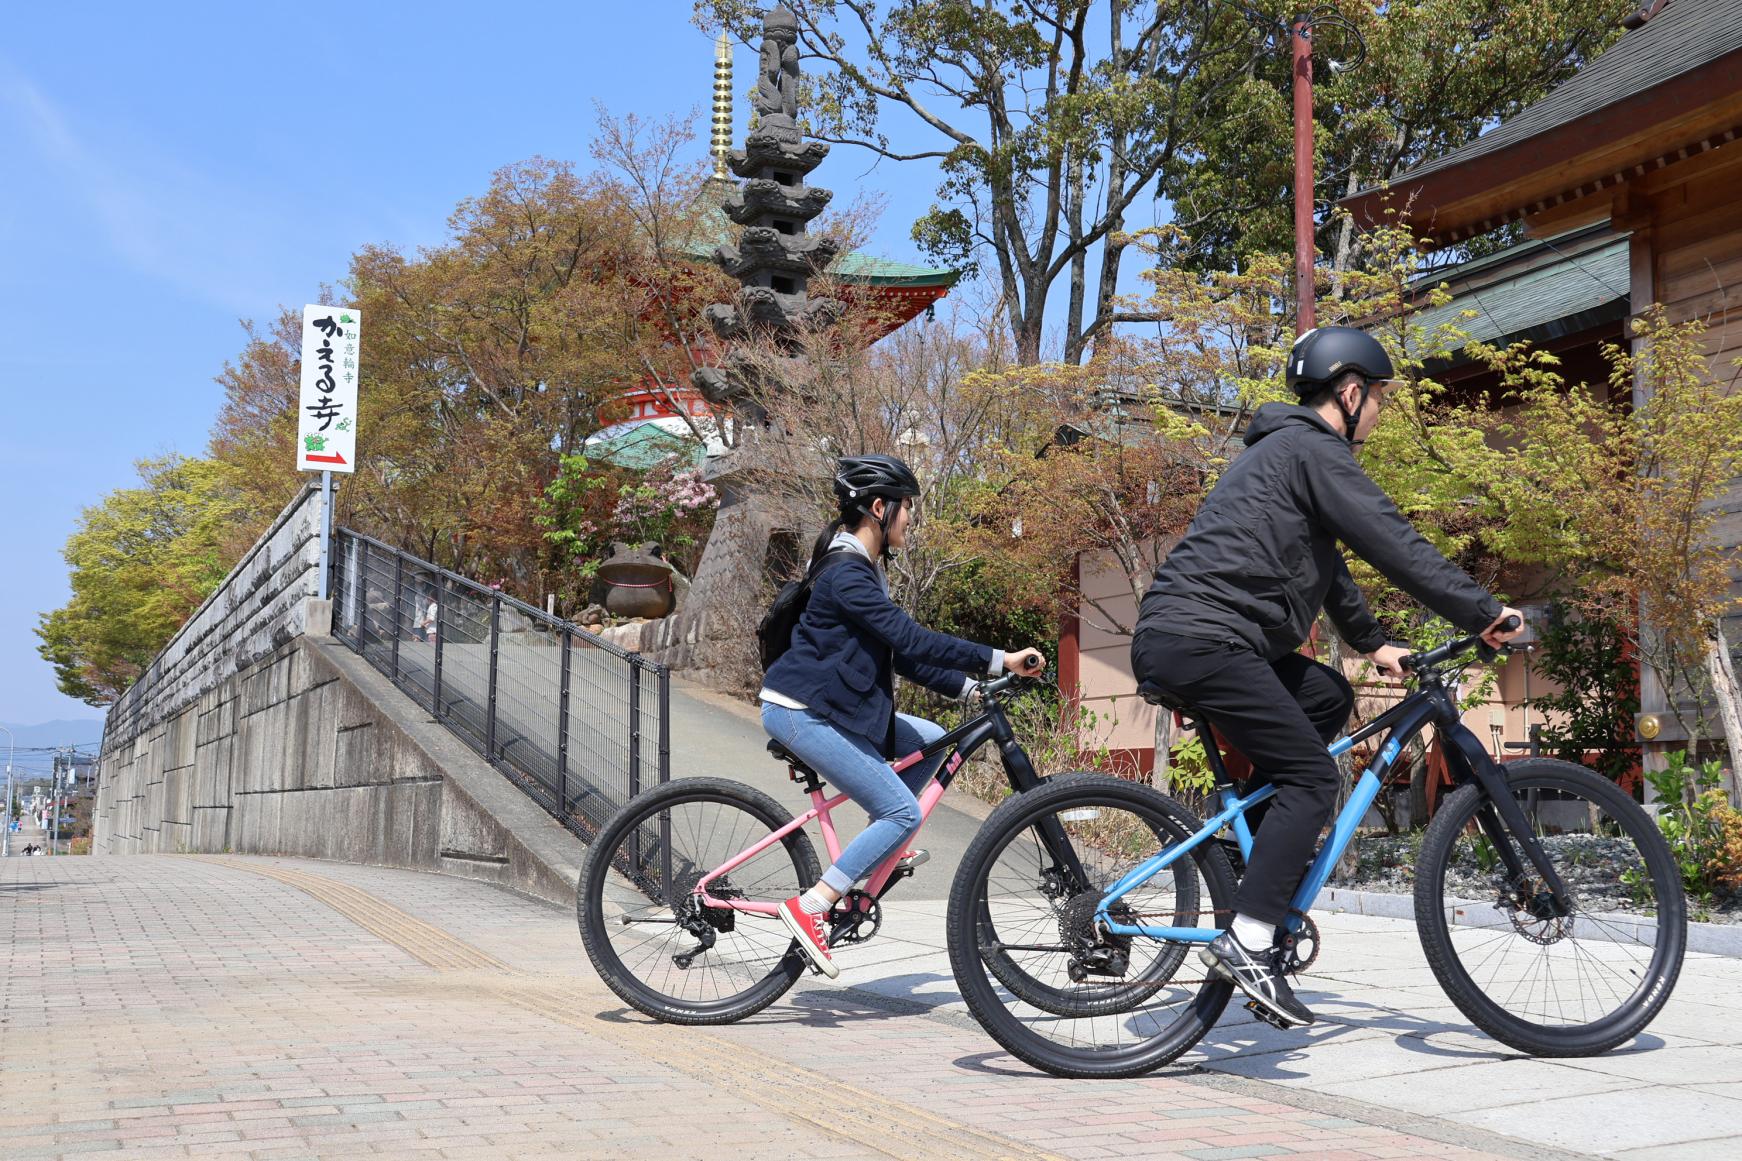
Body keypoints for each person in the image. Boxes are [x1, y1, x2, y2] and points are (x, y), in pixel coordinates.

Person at [1130, 326, 1524, 1027]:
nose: (1381, 412)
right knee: (1314, 777)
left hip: (1192, 637)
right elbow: (1389, 538)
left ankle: (1242, 853)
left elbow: (1331, 564)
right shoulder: (1312, 448)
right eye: (1379, 399)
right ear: (1349, 392)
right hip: (1207, 639)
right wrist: (1483, 611)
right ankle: (1250, 940)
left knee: (1326, 695)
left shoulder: (1280, 454)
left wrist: (1374, 644)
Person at [760, 454, 1045, 978]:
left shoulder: (859, 570)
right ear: (878, 508)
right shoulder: (847, 574)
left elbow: (905, 657)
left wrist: (971, 689)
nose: (911, 518)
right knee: (902, 814)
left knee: (933, 740)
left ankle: (873, 853)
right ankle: (814, 905)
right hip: (802, 712)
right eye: (907, 507)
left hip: (830, 708)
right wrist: (998, 657)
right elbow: (914, 638)